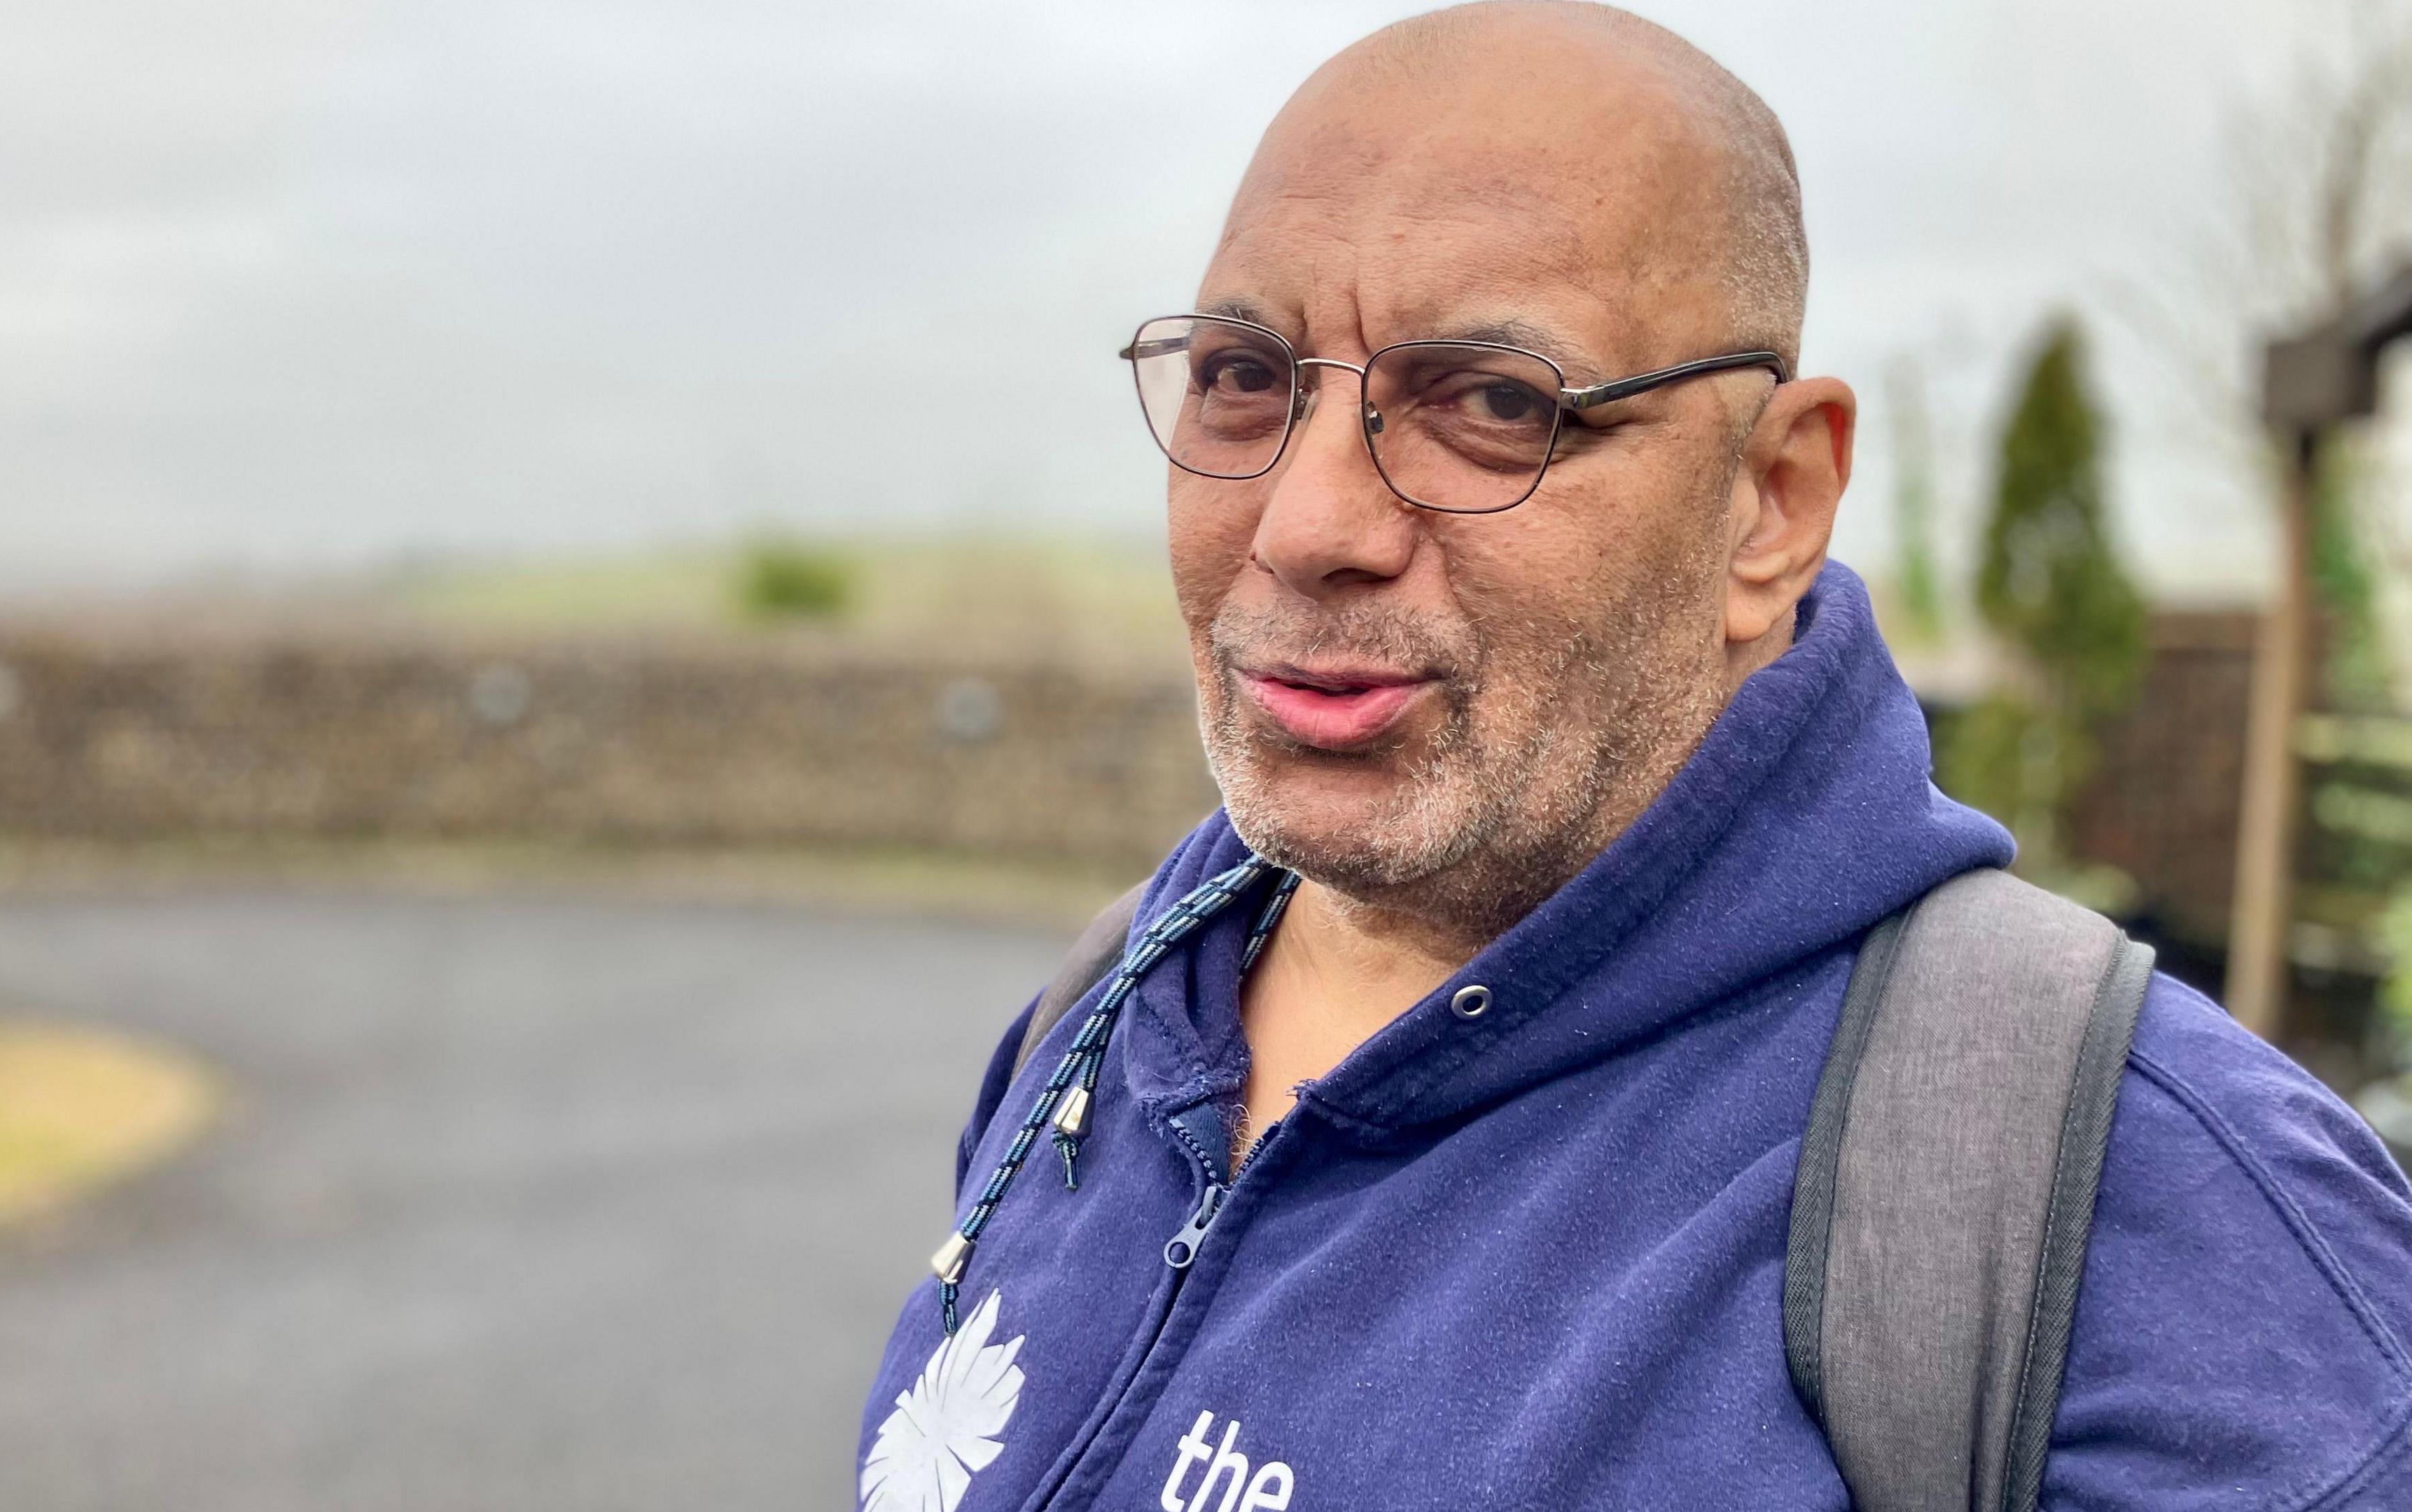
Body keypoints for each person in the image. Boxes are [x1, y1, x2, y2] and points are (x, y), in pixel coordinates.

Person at [856, 5, 2412, 1508]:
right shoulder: (1121, 996)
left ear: (1773, 503)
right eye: (1243, 378)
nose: (1305, 523)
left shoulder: (2155, 1224)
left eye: (1491, 402)